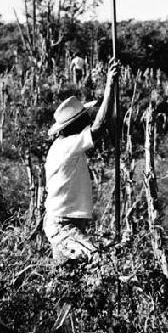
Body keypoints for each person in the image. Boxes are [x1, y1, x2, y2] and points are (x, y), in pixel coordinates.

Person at [43, 57, 120, 263]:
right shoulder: (68, 146)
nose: (88, 120)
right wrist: (110, 87)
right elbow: (99, 127)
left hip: (66, 222)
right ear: (74, 125)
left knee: (66, 280)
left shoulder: (63, 146)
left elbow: (103, 125)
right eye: (84, 118)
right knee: (98, 261)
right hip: (63, 224)